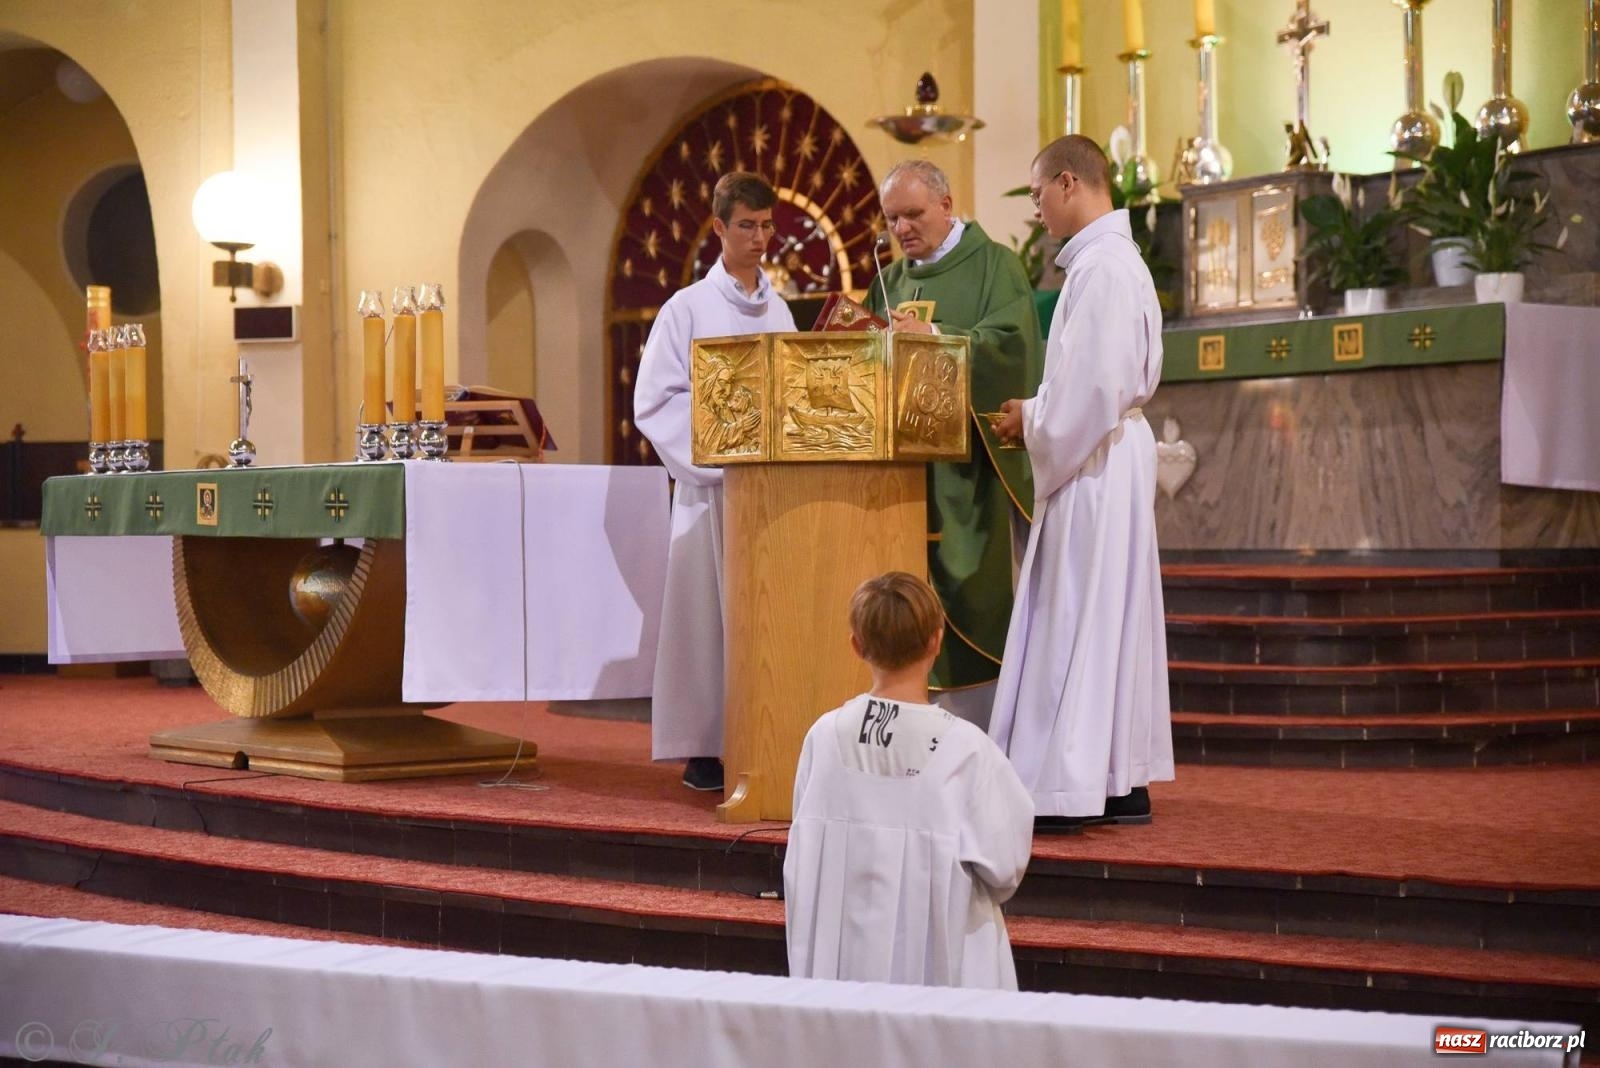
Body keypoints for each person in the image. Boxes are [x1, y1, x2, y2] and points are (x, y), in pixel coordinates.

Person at [988, 135, 1174, 834]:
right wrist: (1042, 412)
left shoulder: (1102, 271)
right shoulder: (1111, 263)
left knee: (1079, 612)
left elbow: (1092, 388)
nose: (1036, 209)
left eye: (1038, 194)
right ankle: (1116, 777)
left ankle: (1067, 784)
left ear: (1069, 183)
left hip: (1093, 458)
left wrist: (1032, 419)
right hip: (1106, 451)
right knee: (1108, 616)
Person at [783, 572, 1033, 989]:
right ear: (937, 641)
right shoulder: (967, 749)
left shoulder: (823, 736)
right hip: (942, 966)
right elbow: (1005, 867)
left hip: (841, 964)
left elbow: (805, 853)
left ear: (857, 646)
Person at [865, 160, 1043, 731]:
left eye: (913, 215)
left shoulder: (996, 267)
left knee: (974, 597)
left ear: (946, 205)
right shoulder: (888, 281)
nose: (903, 229)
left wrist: (937, 340)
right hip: (903, 479)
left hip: (970, 474)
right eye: (893, 219)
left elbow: (1012, 349)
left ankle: (983, 738)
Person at [634, 172, 797, 792]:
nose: (761, 238)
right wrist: (721, 458)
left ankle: (768, 727)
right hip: (714, 491)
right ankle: (706, 743)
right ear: (719, 228)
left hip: (771, 493)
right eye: (747, 226)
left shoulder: (780, 310)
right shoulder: (686, 309)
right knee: (707, 617)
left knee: (764, 613)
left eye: (767, 226)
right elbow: (656, 401)